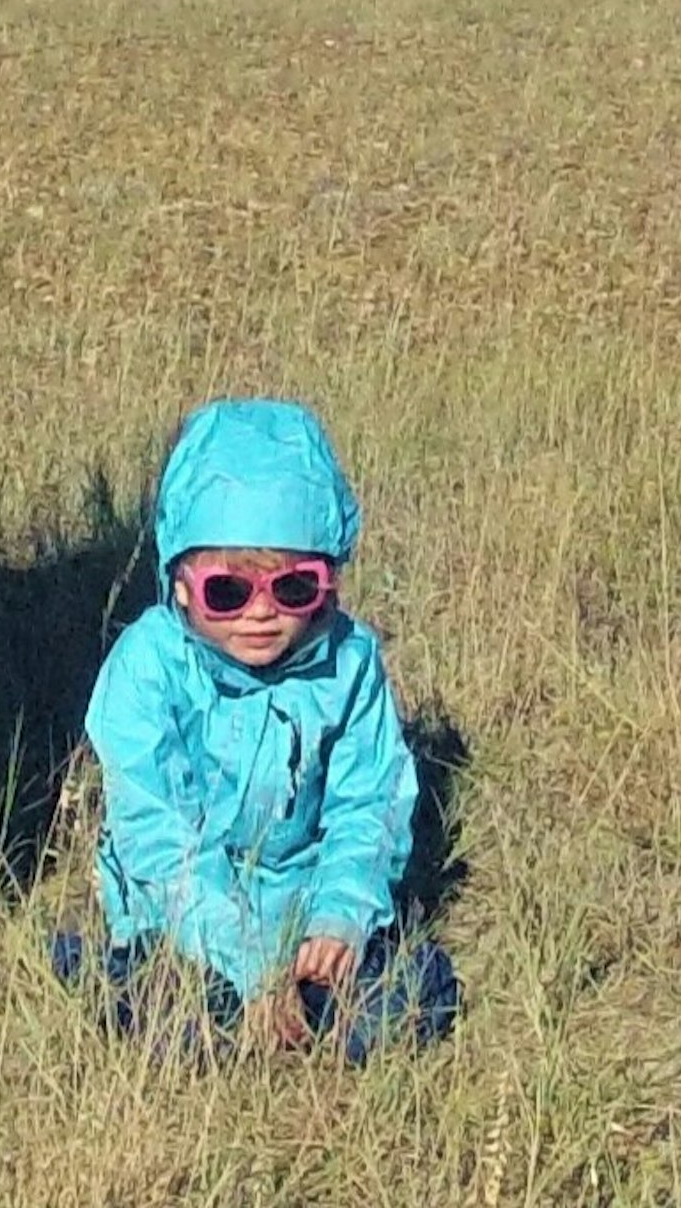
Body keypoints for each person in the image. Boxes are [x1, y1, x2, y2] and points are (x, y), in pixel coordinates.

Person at [67, 399, 461, 1060]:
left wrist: (338, 918)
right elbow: (158, 840)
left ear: (328, 583)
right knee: (171, 1022)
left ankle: (305, 1011)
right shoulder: (145, 669)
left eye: (294, 589)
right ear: (183, 584)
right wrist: (248, 967)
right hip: (186, 927)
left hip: (307, 918)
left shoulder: (351, 661)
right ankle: (122, 980)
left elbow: (370, 806)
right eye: (229, 591)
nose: (261, 614)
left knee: (398, 1011)